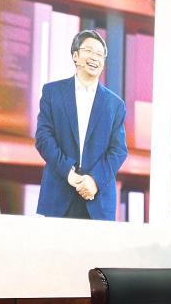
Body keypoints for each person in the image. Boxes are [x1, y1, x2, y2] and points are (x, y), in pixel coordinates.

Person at [34, 30, 128, 220]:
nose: (94, 58)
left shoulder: (115, 104)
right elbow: (44, 138)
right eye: (89, 51)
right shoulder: (52, 92)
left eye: (100, 54)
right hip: (58, 195)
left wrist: (94, 180)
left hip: (97, 199)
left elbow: (118, 150)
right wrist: (68, 173)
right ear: (75, 56)